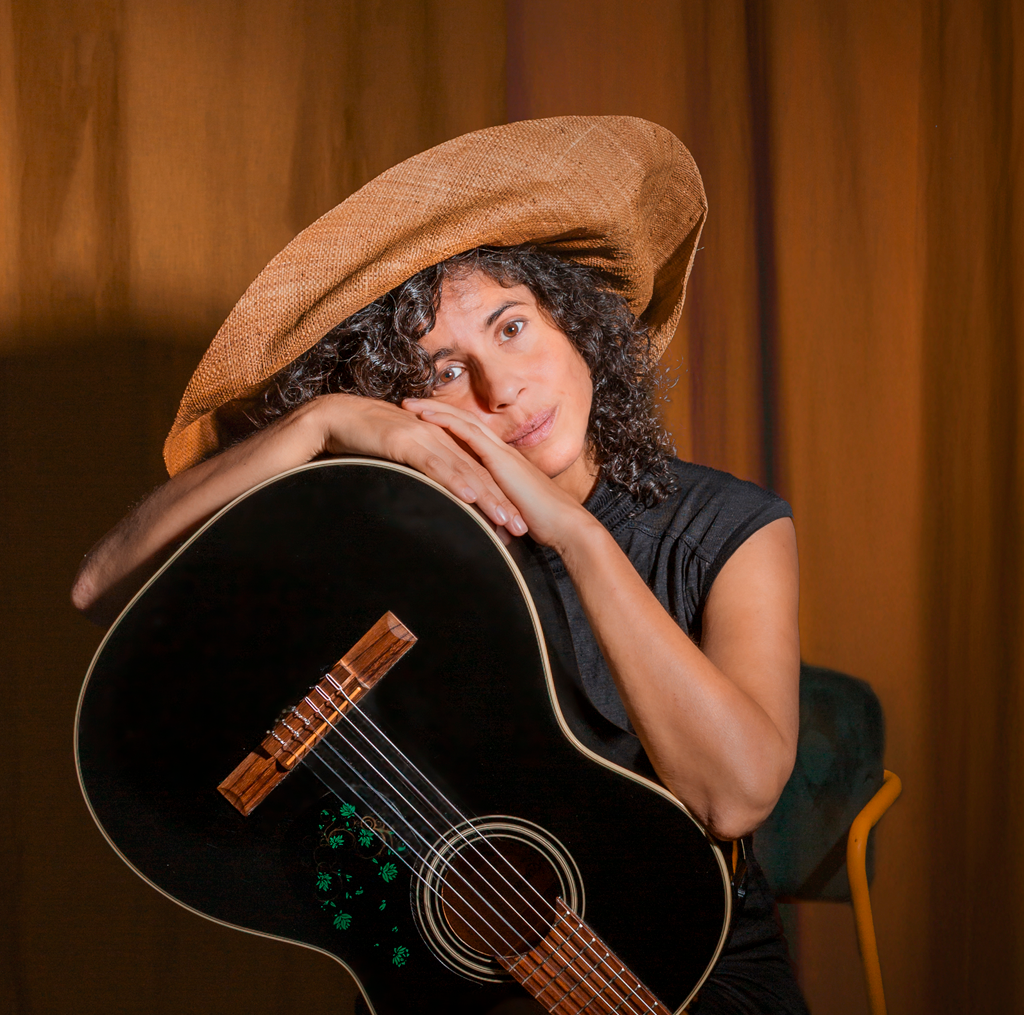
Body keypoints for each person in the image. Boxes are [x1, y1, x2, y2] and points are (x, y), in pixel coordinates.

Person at [72, 117, 807, 1014]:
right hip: (444, 980)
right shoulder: (392, 539)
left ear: (576, 323)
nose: (503, 391)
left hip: (690, 967)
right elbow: (100, 586)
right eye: (448, 371)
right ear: (410, 405)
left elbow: (733, 800)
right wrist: (321, 425)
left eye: (512, 327)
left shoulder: (725, 525)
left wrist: (574, 535)